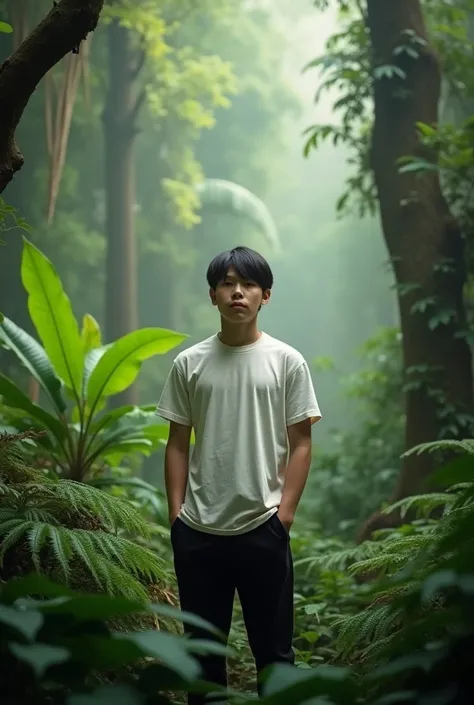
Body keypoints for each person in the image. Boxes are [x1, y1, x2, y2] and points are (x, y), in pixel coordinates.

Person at [155, 246, 321, 703]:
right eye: (227, 283)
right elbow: (176, 443)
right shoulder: (189, 363)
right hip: (198, 530)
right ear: (213, 295)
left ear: (265, 295)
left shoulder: (287, 361)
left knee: (274, 656)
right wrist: (176, 518)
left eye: (247, 284)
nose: (237, 292)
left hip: (262, 526)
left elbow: (302, 442)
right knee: (203, 659)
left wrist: (283, 517)